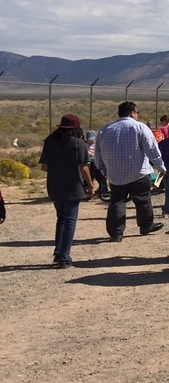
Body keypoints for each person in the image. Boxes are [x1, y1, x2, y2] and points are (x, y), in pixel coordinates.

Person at [94, 101, 165, 241]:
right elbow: (152, 149)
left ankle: (116, 232)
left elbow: (98, 152)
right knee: (143, 200)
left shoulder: (105, 130)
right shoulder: (139, 127)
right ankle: (146, 225)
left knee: (117, 202)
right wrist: (161, 166)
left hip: (115, 174)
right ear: (132, 112)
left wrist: (102, 169)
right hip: (138, 172)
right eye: (137, 112)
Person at [40, 114, 95, 268]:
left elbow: (44, 167)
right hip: (73, 186)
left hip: (55, 185)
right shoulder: (79, 144)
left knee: (61, 218)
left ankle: (58, 252)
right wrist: (90, 186)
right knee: (70, 220)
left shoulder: (50, 142)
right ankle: (65, 256)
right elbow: (84, 167)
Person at [85, 128, 109, 199]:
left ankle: (103, 191)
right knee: (89, 177)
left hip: (97, 163)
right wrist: (89, 153)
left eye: (93, 140)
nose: (91, 142)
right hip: (89, 163)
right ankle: (86, 189)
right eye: (89, 140)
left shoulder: (98, 145)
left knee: (101, 177)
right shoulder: (85, 145)